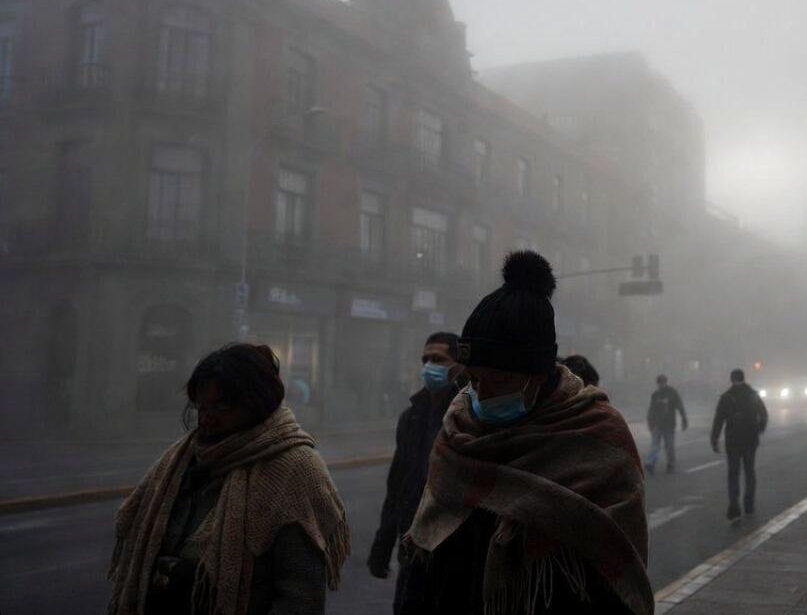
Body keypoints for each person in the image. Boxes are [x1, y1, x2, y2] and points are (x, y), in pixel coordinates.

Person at [407, 251, 653, 615]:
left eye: (499, 382)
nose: (481, 395)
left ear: (538, 375)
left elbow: (616, 572)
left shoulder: (598, 436)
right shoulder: (457, 429)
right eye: (473, 379)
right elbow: (427, 559)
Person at [108, 343, 350, 615]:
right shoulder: (180, 460)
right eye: (202, 406)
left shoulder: (294, 468)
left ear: (257, 404)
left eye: (222, 406)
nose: (207, 419)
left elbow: (300, 597)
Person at [368, 331, 461, 614]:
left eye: (438, 359)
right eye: (425, 359)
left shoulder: (466, 415)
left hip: (452, 548)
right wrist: (383, 541)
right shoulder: (411, 417)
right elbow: (398, 483)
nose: (429, 366)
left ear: (458, 366)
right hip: (411, 541)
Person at [710, 368, 769, 521]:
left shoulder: (726, 397)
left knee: (733, 473)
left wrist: (714, 439)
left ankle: (734, 507)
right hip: (750, 439)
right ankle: (749, 505)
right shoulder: (753, 395)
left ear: (731, 379)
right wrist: (760, 429)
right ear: (744, 378)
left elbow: (718, 419)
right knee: (749, 472)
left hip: (733, 440)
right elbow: (764, 414)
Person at [646, 374, 688, 474]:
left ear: (665, 382)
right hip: (657, 424)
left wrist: (684, 420)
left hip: (669, 424)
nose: (661, 385)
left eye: (662, 383)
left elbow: (680, 406)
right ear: (658, 384)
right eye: (659, 383)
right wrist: (650, 424)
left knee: (669, 446)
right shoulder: (655, 395)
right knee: (655, 445)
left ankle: (670, 463)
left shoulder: (672, 393)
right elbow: (651, 410)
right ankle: (650, 463)